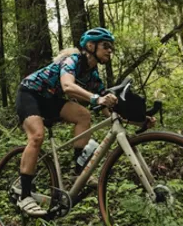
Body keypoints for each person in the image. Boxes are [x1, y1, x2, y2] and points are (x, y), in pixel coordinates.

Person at [14, 27, 119, 216]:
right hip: (30, 94)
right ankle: (25, 195)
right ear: (90, 45)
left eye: (111, 47)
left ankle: (79, 171)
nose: (110, 50)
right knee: (37, 136)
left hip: (51, 100)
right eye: (106, 46)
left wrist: (139, 121)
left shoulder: (92, 74)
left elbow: (107, 110)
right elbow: (68, 86)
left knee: (83, 116)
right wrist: (96, 98)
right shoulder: (73, 60)